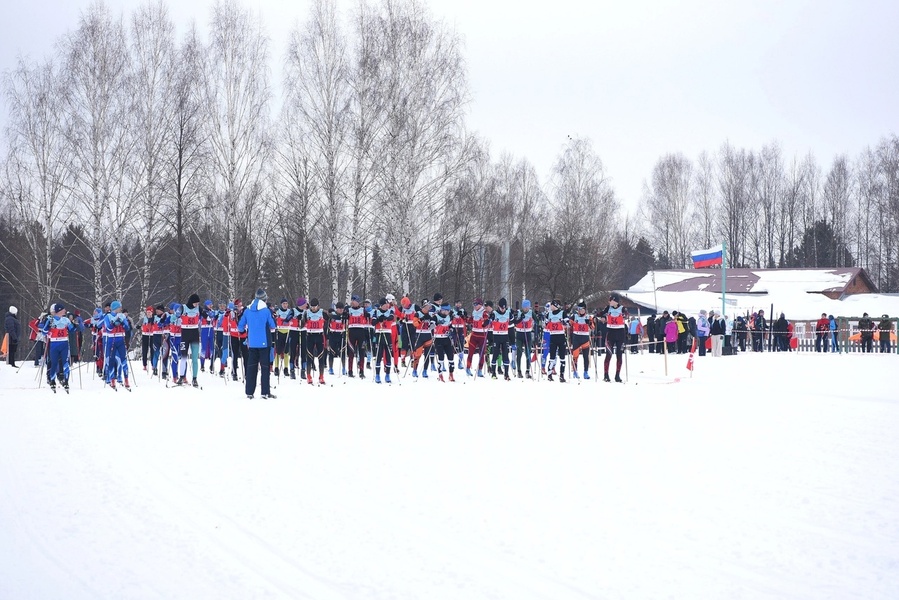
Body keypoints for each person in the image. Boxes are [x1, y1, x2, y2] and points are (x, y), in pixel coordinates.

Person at [237, 288, 277, 399]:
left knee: (251, 368)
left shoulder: (247, 310)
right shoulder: (266, 310)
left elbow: (240, 326)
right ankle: (265, 392)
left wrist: (244, 332)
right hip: (265, 343)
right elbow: (273, 325)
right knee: (265, 368)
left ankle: (249, 392)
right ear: (264, 299)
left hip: (252, 343)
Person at [41, 303, 75, 390]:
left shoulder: (66, 320)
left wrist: (74, 325)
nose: (64, 310)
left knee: (65, 363)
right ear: (59, 311)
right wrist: (48, 327)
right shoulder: (51, 320)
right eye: (63, 309)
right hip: (54, 343)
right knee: (54, 362)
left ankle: (66, 381)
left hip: (64, 343)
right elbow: (44, 332)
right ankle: (52, 381)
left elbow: (72, 330)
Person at [103, 300, 131, 389]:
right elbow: (108, 328)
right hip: (111, 339)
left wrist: (123, 323)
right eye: (119, 307)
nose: (121, 308)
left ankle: (126, 379)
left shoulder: (122, 315)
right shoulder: (108, 316)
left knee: (123, 359)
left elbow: (127, 328)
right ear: (115, 308)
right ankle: (112, 380)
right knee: (111, 360)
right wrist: (113, 323)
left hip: (121, 339)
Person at [302, 298, 329, 385]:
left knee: (321, 356)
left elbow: (331, 318)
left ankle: (321, 376)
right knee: (309, 356)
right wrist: (301, 320)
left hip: (320, 336)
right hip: (310, 336)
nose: (313, 308)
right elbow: (301, 324)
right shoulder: (306, 312)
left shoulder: (322, 312)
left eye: (315, 306)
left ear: (318, 306)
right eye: (312, 306)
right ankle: (309, 376)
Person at [371, 298, 396, 383]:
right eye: (385, 305)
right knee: (378, 355)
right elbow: (373, 322)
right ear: (381, 305)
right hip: (379, 334)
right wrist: (378, 319)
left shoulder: (390, 311)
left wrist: (385, 318)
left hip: (387, 334)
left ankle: (387, 375)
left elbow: (391, 317)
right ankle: (377, 375)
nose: (387, 306)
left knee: (388, 354)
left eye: (387, 305)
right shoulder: (376, 312)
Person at [543, 299, 568, 382]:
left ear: (556, 305)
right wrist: (546, 323)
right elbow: (545, 324)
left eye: (552, 305)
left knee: (562, 357)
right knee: (552, 357)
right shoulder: (549, 314)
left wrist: (563, 322)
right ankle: (549, 374)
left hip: (561, 336)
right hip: (553, 336)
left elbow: (568, 324)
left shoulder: (562, 313)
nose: (551, 306)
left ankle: (562, 375)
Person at [569, 301, 593, 379]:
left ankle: (585, 372)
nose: (580, 310)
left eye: (582, 309)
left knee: (586, 357)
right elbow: (569, 323)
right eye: (578, 309)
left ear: (585, 309)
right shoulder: (574, 316)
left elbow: (593, 327)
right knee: (575, 356)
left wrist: (589, 323)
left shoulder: (588, 317)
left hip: (585, 338)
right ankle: (575, 371)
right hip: (576, 338)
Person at [512, 300, 535, 378]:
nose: (526, 309)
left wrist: (538, 321)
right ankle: (519, 371)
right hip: (519, 334)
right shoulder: (518, 312)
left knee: (528, 352)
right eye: (524, 307)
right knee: (519, 352)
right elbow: (514, 321)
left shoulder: (531, 312)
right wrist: (516, 316)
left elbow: (537, 321)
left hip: (528, 334)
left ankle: (527, 371)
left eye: (527, 307)